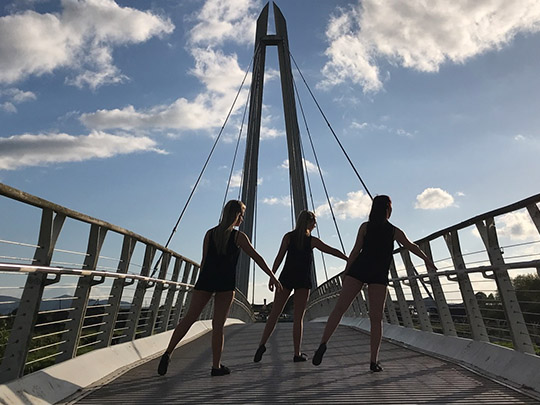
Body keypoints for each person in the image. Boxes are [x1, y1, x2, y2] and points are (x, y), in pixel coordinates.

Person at [312, 195, 437, 371]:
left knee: (339, 309)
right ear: (388, 209)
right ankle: (373, 361)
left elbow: (356, 251)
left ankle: (323, 343)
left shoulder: (365, 227)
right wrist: (427, 260)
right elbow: (411, 245)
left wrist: (347, 271)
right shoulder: (394, 231)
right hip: (379, 274)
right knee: (376, 319)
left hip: (359, 269)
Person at [157, 200, 282, 377]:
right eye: (242, 215)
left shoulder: (210, 234)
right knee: (218, 326)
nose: (243, 218)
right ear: (237, 216)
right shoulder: (238, 237)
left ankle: (168, 352)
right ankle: (216, 366)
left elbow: (204, 260)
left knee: (189, 318)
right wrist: (272, 275)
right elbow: (257, 257)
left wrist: (202, 281)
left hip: (206, 280)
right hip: (225, 284)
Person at [253, 210, 347, 363]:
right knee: (298, 319)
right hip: (303, 280)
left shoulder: (288, 237)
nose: (315, 225)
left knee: (275, 314)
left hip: (286, 278)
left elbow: (279, 257)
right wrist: (347, 258)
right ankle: (297, 354)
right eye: (314, 222)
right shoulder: (312, 241)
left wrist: (272, 275)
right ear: (309, 223)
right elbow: (330, 250)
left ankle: (261, 345)